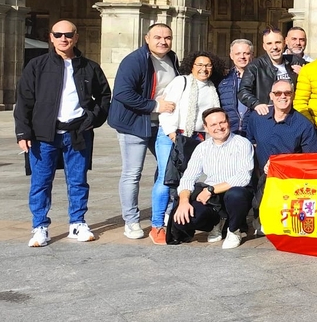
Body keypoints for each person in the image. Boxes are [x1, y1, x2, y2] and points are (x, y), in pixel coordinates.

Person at [16, 20, 111, 247]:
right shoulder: (37, 66)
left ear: (76, 37)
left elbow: (105, 96)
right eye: (58, 34)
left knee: (78, 181)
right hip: (43, 135)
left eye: (68, 34)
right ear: (51, 37)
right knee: (41, 182)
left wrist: (92, 119)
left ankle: (77, 223)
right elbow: (24, 100)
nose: (63, 39)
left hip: (77, 132)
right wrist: (23, 132)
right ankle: (40, 226)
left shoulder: (89, 67)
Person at [109, 23, 179, 241]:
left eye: (167, 38)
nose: (163, 41)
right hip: (134, 123)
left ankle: (166, 212)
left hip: (163, 124)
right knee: (132, 173)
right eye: (157, 37)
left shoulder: (172, 58)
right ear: (147, 38)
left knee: (168, 169)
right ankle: (131, 220)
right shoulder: (134, 60)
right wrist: (155, 106)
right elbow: (122, 93)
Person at [150, 51, 224, 244]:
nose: (204, 68)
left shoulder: (211, 88)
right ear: (191, 66)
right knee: (166, 179)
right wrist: (172, 133)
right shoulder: (181, 82)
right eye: (199, 64)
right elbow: (168, 109)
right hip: (173, 135)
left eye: (208, 65)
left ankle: (177, 221)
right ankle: (157, 225)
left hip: (197, 137)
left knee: (187, 180)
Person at [170, 108, 254, 249]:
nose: (219, 127)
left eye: (222, 122)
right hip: (213, 199)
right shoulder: (202, 148)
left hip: (236, 192)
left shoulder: (242, 143)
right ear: (206, 128)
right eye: (213, 124)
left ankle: (234, 230)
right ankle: (217, 222)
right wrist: (183, 201)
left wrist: (211, 189)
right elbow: (188, 177)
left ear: (228, 122)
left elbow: (243, 178)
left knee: (235, 194)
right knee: (183, 220)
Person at [243, 80, 317, 231]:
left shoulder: (304, 125)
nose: (283, 96)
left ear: (293, 95)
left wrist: (280, 164)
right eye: (278, 93)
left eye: (287, 93)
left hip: (289, 180)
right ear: (271, 96)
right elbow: (251, 143)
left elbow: (310, 160)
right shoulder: (257, 118)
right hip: (261, 178)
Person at [238, 28, 295, 117]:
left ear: (284, 43)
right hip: (268, 115)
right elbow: (243, 91)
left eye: (278, 42)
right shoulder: (255, 66)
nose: (274, 47)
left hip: (292, 114)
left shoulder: (295, 62)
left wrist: (302, 72)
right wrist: (256, 104)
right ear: (264, 46)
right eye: (269, 43)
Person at [219, 38, 253, 134]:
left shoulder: (261, 78)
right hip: (229, 132)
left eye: (246, 53)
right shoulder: (223, 79)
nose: (242, 57)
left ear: (252, 55)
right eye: (238, 53)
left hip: (253, 131)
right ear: (231, 56)